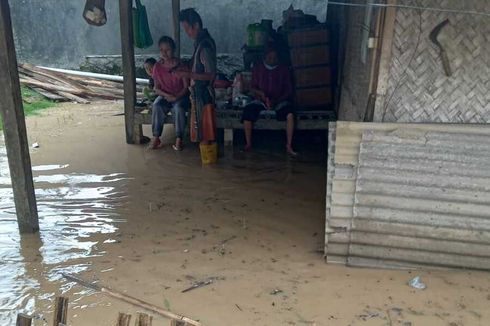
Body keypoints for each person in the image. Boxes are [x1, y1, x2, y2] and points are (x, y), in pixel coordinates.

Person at [242, 46, 296, 155]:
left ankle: (289, 145)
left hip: (279, 101)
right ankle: (248, 144)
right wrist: (261, 95)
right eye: (270, 57)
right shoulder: (258, 68)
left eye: (275, 58)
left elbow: (288, 90)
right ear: (265, 57)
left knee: (290, 114)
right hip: (261, 100)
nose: (272, 60)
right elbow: (252, 87)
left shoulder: (283, 69)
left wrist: (277, 100)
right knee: (247, 112)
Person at [176, 8, 217, 147]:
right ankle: (207, 165)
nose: (187, 32)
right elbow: (198, 66)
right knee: (201, 132)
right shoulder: (200, 43)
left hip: (203, 95)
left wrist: (187, 74)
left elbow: (210, 74)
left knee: (204, 133)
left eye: (187, 28)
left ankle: (208, 165)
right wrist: (185, 68)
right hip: (198, 94)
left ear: (196, 25)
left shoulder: (204, 46)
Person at [149, 36, 189, 151]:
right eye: (161, 50)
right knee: (156, 105)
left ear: (173, 50)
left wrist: (176, 97)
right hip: (165, 95)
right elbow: (156, 88)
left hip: (180, 95)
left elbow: (186, 87)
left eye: (167, 50)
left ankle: (179, 138)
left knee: (178, 108)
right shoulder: (157, 66)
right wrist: (167, 96)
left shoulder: (181, 65)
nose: (164, 53)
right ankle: (156, 137)